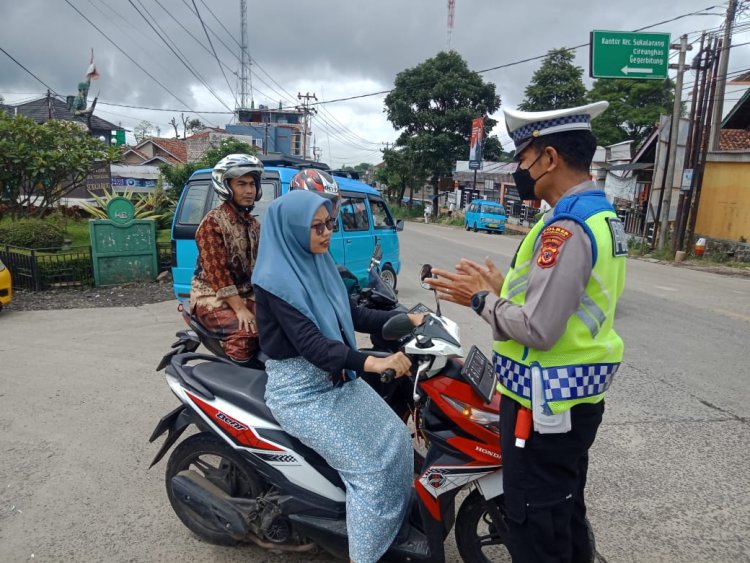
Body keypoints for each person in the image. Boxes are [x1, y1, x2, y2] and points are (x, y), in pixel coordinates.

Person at [426, 101, 626, 563]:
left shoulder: (567, 226)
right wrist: (500, 290)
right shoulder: (598, 215)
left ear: (550, 158)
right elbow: (565, 305)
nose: (520, 169)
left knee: (535, 525)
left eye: (524, 158)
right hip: (570, 402)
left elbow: (539, 329)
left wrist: (482, 300)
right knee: (563, 512)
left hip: (543, 409)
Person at [253, 190, 423, 563]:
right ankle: (365, 555)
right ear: (293, 230)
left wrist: (406, 319)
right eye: (317, 227)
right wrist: (373, 363)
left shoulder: (319, 264)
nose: (327, 232)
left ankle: (390, 526)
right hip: (300, 391)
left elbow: (354, 315)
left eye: (329, 223)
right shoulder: (274, 281)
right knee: (370, 471)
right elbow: (313, 345)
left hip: (336, 377)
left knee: (396, 438)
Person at [189, 153, 264, 365]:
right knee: (247, 333)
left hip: (248, 293)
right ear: (226, 186)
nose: (249, 190)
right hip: (212, 295)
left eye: (252, 184)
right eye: (241, 184)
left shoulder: (254, 224)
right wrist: (240, 309)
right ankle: (239, 381)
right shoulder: (212, 223)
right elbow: (217, 273)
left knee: (284, 324)